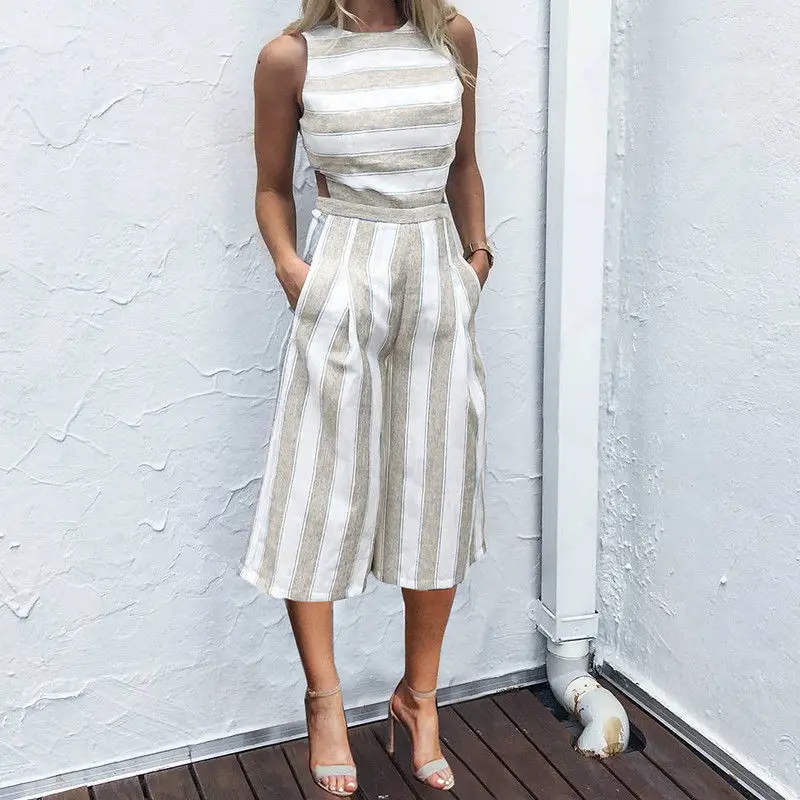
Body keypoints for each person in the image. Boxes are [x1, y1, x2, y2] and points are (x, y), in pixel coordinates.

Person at [239, 0, 493, 794]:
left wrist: (478, 259)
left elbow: (463, 164)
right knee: (316, 490)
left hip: (436, 276)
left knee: (435, 487)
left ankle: (420, 698)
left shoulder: (451, 37)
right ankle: (325, 700)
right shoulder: (293, 57)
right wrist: (293, 271)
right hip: (343, 269)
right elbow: (271, 187)